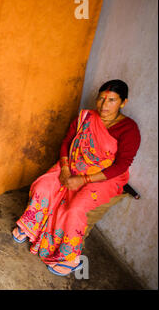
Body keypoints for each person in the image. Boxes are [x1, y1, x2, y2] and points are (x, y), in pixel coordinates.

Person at [12, 79, 141, 276]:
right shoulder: (85, 117)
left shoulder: (129, 129)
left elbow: (122, 165)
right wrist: (65, 169)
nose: (104, 105)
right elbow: (66, 142)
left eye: (112, 100)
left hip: (104, 176)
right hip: (72, 163)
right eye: (101, 99)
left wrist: (84, 180)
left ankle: (69, 258)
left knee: (74, 208)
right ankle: (31, 226)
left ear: (123, 102)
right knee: (44, 186)